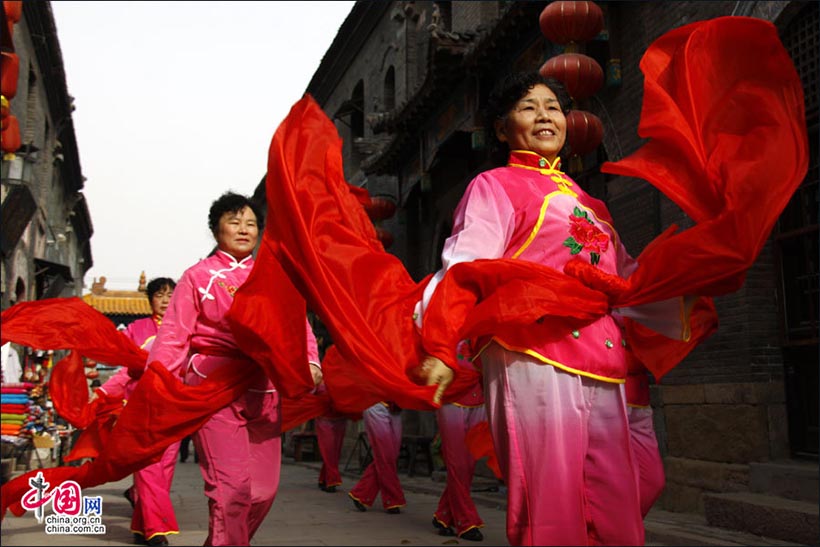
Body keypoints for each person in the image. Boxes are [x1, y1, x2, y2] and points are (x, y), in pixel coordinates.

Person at [414, 72, 688, 546]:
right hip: (531, 350)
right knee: (552, 505)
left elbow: (627, 279)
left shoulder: (590, 203)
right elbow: (465, 265)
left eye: (553, 107)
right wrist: (440, 342)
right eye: (528, 107)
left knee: (617, 499)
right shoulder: (495, 184)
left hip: (602, 358)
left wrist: (693, 274)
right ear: (502, 130)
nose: (544, 115)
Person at [145, 191, 321, 547]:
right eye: (234, 222)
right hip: (215, 389)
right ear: (216, 230)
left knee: (263, 491)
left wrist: (310, 360)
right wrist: (158, 381)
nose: (244, 229)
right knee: (232, 491)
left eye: (251, 223)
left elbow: (296, 323)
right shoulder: (198, 277)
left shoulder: (273, 275)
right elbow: (174, 335)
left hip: (264, 391)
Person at [97, 277, 178, 547]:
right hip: (140, 407)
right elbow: (123, 367)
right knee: (147, 467)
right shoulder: (136, 329)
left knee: (165, 468)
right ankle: (156, 530)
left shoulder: (184, 328)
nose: (165, 300)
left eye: (170, 295)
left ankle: (141, 524)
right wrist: (104, 392)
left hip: (174, 407)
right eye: (159, 295)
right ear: (150, 300)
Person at [431, 341, 486, 541]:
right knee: (457, 463)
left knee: (468, 465)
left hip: (479, 397)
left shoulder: (480, 330)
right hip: (451, 397)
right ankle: (466, 521)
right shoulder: (443, 331)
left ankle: (444, 515)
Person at [348, 401, 405, 514]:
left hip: (396, 408)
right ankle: (392, 500)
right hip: (377, 406)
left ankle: (361, 493)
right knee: (386, 455)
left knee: (391, 455)